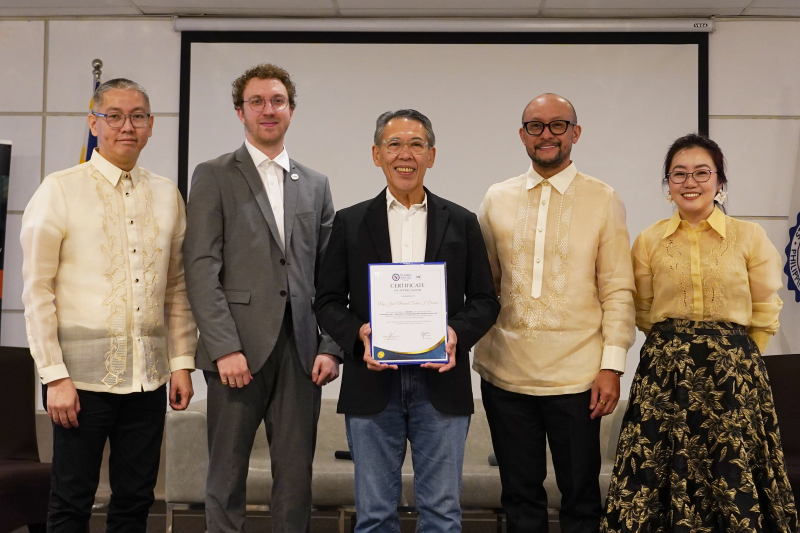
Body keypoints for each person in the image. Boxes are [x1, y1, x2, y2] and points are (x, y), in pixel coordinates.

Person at [21, 78, 197, 531]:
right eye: (114, 116)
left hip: (148, 379)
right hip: (78, 382)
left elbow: (177, 288)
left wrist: (181, 363)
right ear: (93, 122)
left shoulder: (167, 194)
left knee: (136, 501)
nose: (127, 126)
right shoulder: (59, 189)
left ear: (151, 125)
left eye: (137, 117)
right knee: (72, 501)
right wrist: (54, 375)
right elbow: (37, 291)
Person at [314, 109, 500, 532]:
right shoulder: (350, 222)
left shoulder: (462, 222)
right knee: (374, 516)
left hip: (441, 386)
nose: (405, 154)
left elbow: (485, 301)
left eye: (416, 144)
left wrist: (455, 333)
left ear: (431, 156)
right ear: (376, 154)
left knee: (443, 515)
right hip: (372, 384)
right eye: (394, 144)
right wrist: (358, 336)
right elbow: (327, 300)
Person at [601, 133, 798, 532]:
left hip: (733, 376)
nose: (690, 182)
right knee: (655, 469)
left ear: (719, 181)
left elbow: (765, 308)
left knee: (731, 468)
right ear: (668, 184)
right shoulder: (649, 240)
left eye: (701, 173)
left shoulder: (749, 236)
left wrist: (737, 358)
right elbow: (643, 309)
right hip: (666, 374)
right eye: (679, 174)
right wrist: (677, 346)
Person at [182, 63, 342, 533]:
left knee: (295, 480)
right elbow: (201, 268)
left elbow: (331, 277)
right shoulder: (212, 175)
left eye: (277, 101)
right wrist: (224, 348)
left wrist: (331, 347)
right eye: (257, 102)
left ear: (291, 110)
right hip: (237, 352)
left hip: (302, 353)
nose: (268, 110)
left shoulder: (316, 183)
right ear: (241, 112)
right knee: (226, 476)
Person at [474, 93, 636, 532]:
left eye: (558, 125)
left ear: (575, 133)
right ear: (522, 135)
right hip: (506, 375)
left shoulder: (603, 199)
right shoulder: (496, 198)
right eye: (536, 126)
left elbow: (618, 289)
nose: (546, 135)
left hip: (579, 379)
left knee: (581, 500)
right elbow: (484, 287)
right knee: (519, 500)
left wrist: (612, 367)